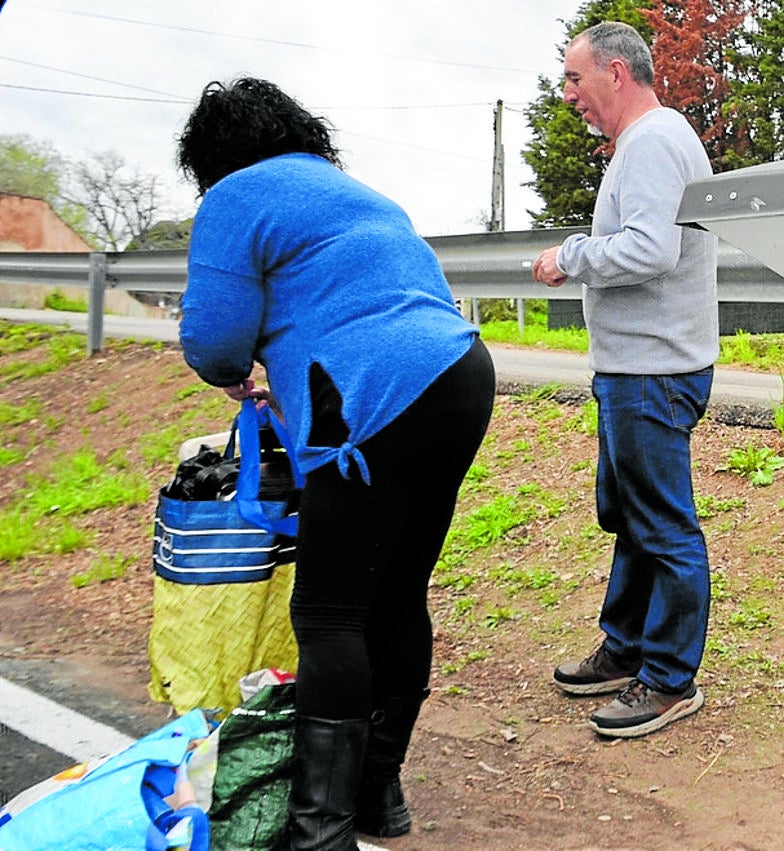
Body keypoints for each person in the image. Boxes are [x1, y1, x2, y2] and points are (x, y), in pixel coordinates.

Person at [175, 77, 495, 850]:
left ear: (213, 157)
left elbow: (213, 338)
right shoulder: (355, 193)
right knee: (396, 593)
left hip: (366, 398)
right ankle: (378, 794)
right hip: (460, 374)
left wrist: (238, 366)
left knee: (329, 611)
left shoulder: (235, 197)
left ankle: (320, 830)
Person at [532, 21, 718, 739]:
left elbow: (649, 248)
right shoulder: (645, 144)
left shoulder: (652, 143)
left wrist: (570, 256)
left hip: (653, 369)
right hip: (640, 365)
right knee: (634, 514)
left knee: (662, 524)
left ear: (615, 72)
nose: (569, 95)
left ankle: (669, 678)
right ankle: (626, 649)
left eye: (575, 79)